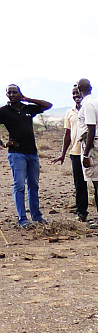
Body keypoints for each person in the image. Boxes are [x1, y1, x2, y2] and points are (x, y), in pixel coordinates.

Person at [0, 84, 52, 227]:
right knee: (19, 185)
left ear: (20, 93)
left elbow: (48, 105)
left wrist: (28, 99)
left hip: (32, 153)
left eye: (14, 92)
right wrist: (4, 143)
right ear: (6, 95)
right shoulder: (3, 111)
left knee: (33, 185)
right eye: (9, 92)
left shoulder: (27, 108)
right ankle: (22, 219)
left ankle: (37, 216)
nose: (12, 95)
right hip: (16, 154)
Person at [54, 83, 93, 221]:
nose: (76, 96)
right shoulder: (70, 112)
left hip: (90, 151)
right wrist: (63, 153)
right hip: (75, 152)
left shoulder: (89, 108)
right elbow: (67, 134)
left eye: (78, 93)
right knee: (80, 184)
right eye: (74, 94)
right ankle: (81, 213)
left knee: (95, 181)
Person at [76, 78, 98, 227]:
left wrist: (85, 154)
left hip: (93, 144)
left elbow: (91, 129)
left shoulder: (88, 105)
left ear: (79, 89)